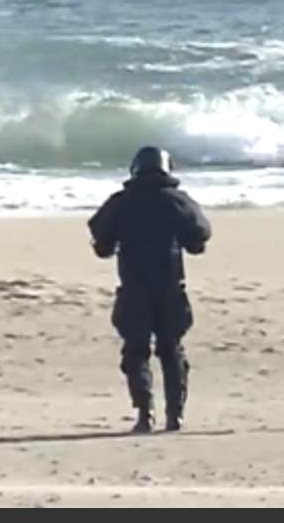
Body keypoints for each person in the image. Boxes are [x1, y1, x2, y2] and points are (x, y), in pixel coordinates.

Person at [88, 146, 212, 433]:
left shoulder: (120, 202)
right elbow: (200, 237)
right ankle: (175, 415)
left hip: (133, 289)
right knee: (171, 351)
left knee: (135, 352)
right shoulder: (178, 202)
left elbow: (101, 242)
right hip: (170, 289)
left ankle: (145, 413)